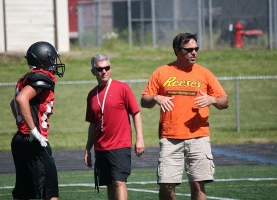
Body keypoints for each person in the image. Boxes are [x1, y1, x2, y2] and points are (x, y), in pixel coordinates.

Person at [141, 33, 229, 200]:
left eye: (196, 49)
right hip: (170, 138)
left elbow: (224, 102)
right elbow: (144, 100)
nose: (194, 52)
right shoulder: (162, 72)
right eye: (189, 49)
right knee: (167, 185)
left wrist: (212, 99)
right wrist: (156, 98)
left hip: (198, 137)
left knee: (198, 184)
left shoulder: (205, 73)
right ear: (177, 50)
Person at [84, 54, 145, 200]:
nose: (104, 71)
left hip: (119, 145)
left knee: (119, 181)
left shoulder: (122, 88)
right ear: (93, 71)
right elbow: (93, 124)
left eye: (107, 68)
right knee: (109, 184)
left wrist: (140, 138)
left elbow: (136, 113)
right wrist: (88, 148)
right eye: (100, 69)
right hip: (100, 147)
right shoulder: (92, 95)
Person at [10, 41, 65, 200]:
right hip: (34, 140)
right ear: (44, 59)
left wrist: (23, 126)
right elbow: (21, 100)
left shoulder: (26, 77)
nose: (55, 63)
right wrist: (33, 130)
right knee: (50, 194)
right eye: (53, 59)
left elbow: (13, 103)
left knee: (23, 193)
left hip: (20, 139)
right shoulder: (43, 76)